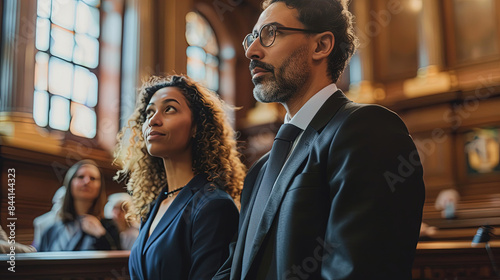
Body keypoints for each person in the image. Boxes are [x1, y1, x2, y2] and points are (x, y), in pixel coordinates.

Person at [213, 0, 425, 279]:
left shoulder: (366, 130)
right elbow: (235, 269)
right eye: (252, 38)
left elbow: (359, 270)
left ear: (321, 46)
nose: (252, 51)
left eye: (270, 34)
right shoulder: (260, 170)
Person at [114, 75, 245, 279]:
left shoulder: (214, 205)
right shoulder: (152, 207)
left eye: (169, 109)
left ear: (196, 127)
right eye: (149, 112)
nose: (153, 120)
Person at [38, 160, 121, 251]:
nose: (86, 181)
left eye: (93, 178)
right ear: (70, 183)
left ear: (100, 187)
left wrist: (101, 236)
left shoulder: (109, 228)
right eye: (80, 177)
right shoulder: (51, 230)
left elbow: (115, 261)